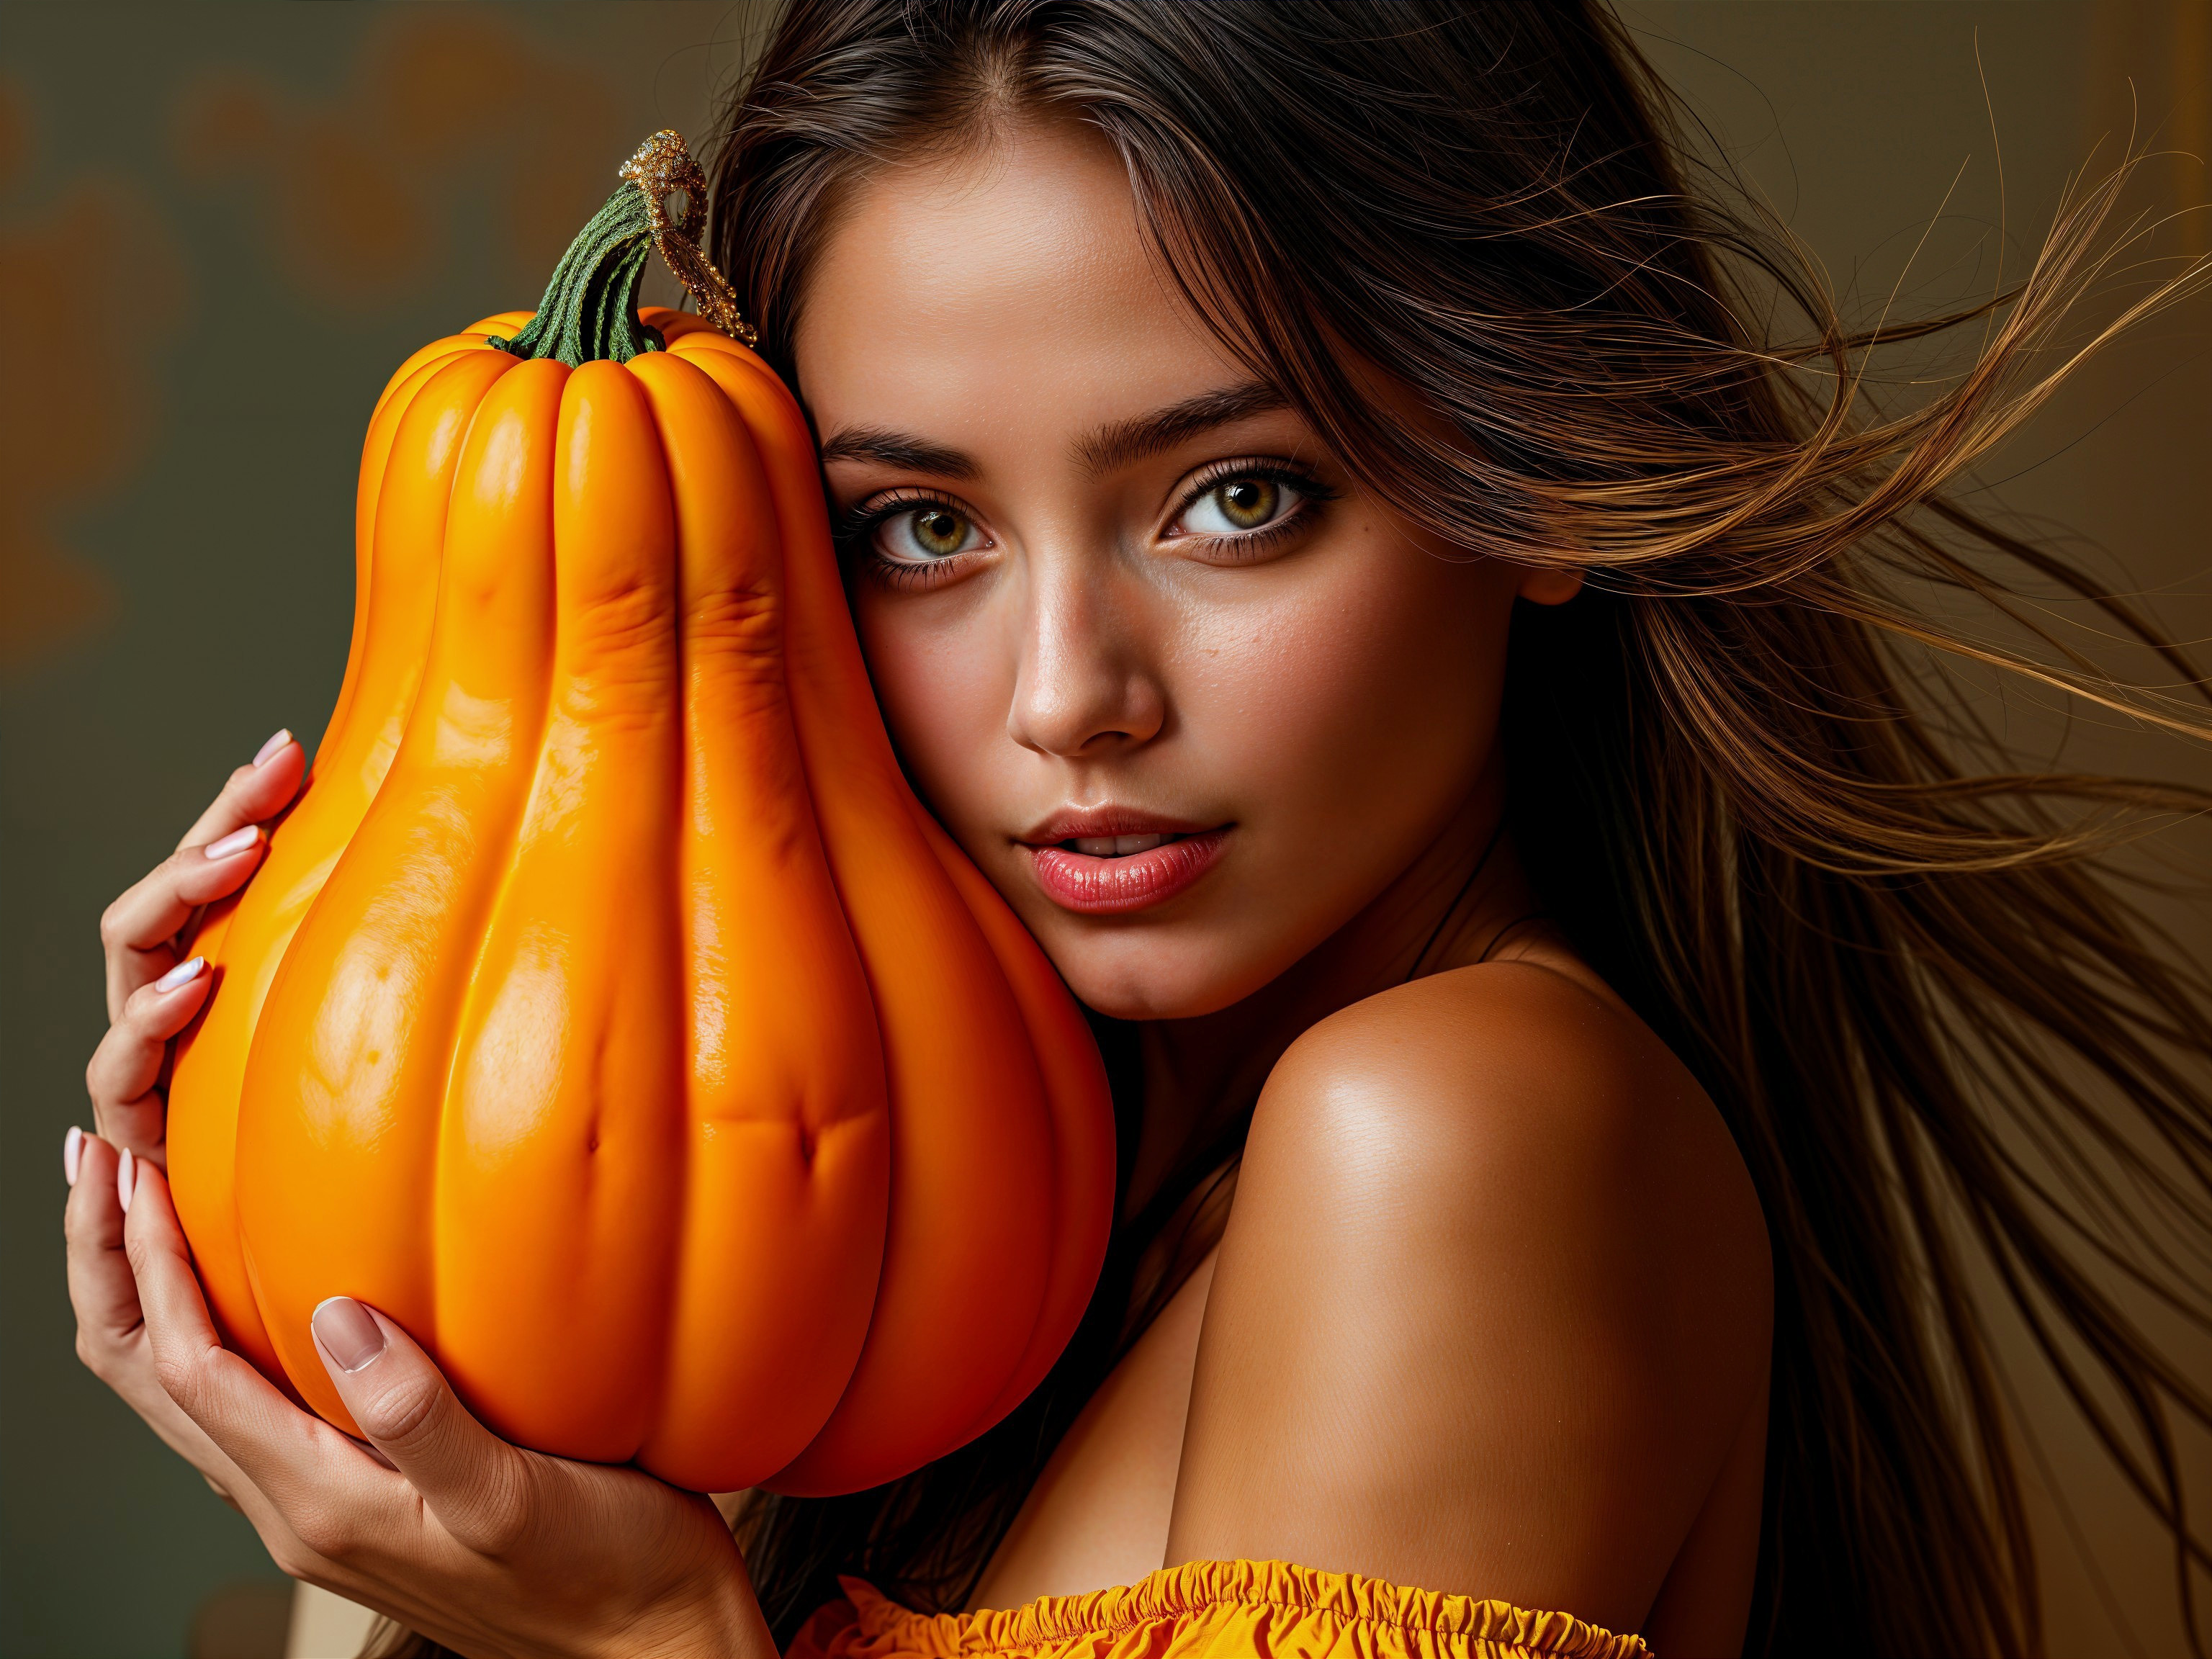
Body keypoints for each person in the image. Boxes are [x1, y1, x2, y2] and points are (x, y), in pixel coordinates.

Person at [63, 4, 2212, 1655]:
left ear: (1537, 475)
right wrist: (318, 1192)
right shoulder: (997, 1224)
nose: (1069, 692)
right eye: (921, 528)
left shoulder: (1450, 1130)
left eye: (1236, 498)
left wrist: (649, 1645)